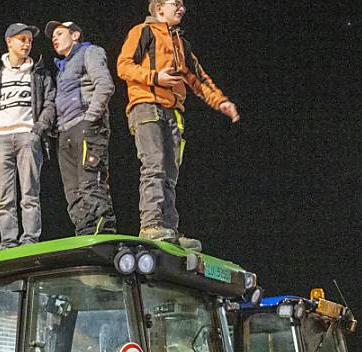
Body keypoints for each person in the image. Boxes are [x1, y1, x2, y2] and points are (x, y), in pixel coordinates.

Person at [117, 0, 240, 249]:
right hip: (147, 106)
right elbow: (123, 65)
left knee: (170, 173)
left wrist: (221, 102)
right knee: (154, 166)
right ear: (159, 8)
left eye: (183, 5)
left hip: (173, 112)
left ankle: (169, 228)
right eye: (176, 3)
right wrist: (155, 77)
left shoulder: (180, 43)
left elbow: (198, 78)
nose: (182, 8)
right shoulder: (143, 31)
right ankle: (150, 225)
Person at [0, 23, 56, 249]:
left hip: (27, 137)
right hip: (0, 139)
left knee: (30, 194)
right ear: (9, 41)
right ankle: (8, 243)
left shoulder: (39, 73)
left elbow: (49, 104)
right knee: (4, 199)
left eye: (29, 40)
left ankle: (30, 240)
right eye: (22, 39)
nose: (27, 44)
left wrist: (38, 130)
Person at [46, 20, 117, 236]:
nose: (54, 39)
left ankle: (102, 231)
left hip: (86, 127)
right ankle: (85, 232)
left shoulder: (90, 52)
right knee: (73, 191)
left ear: (75, 35)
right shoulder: (63, 67)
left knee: (91, 182)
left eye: (59, 33)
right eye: (52, 37)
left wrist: (90, 118)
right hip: (66, 131)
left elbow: (105, 84)